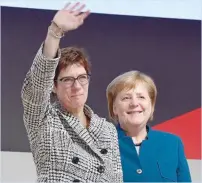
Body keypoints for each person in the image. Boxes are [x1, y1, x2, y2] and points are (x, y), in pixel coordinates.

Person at [21, 2, 123, 182]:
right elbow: (36, 87)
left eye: (82, 77)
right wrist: (55, 32)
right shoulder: (44, 118)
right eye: (68, 79)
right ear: (53, 85)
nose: (77, 86)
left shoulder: (107, 130)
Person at [106, 70, 192, 182]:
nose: (134, 103)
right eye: (126, 98)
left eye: (141, 97)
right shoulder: (100, 145)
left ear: (151, 105)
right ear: (114, 108)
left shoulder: (173, 144)